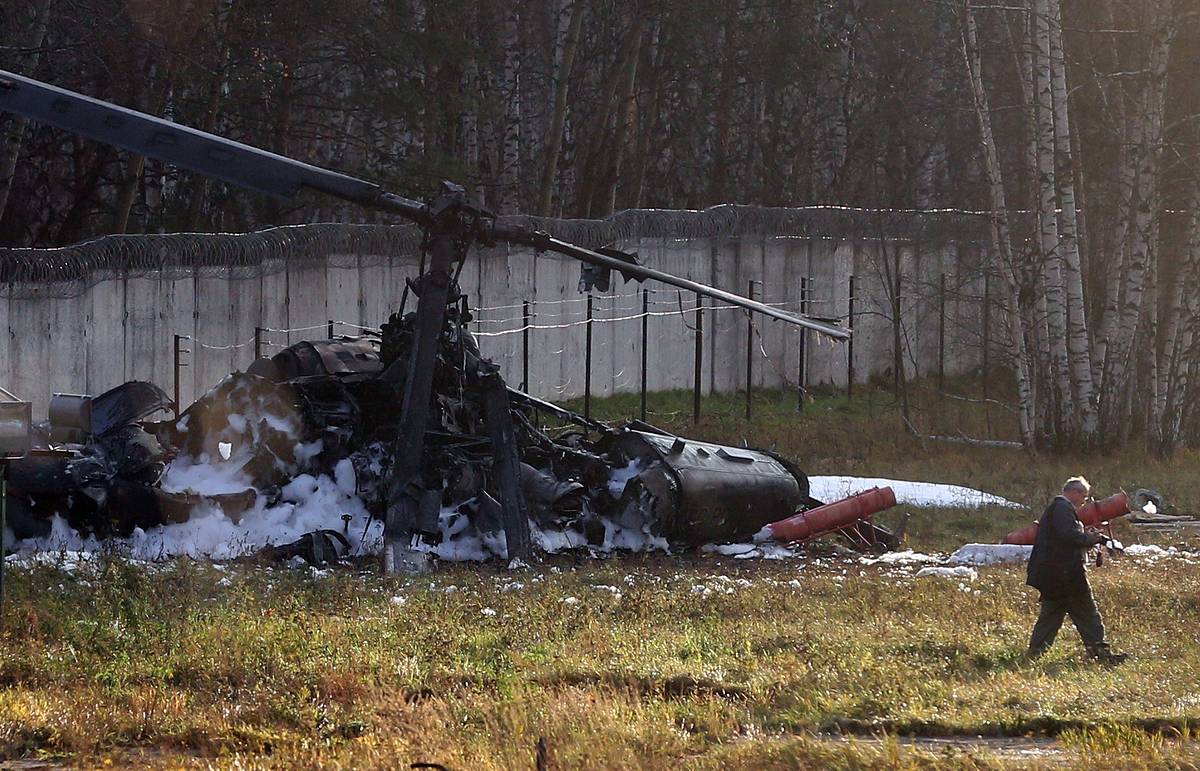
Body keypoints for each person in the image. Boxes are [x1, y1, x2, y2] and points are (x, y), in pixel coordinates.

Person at [1025, 476, 1128, 665]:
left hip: (1054, 576)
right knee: (1088, 614)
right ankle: (1101, 654)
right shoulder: (1063, 508)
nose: (1085, 501)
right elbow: (1070, 537)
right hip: (1067, 575)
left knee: (1051, 616)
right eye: (1084, 496)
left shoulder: (1058, 509)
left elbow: (1068, 536)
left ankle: (1034, 654)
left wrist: (1092, 537)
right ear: (1074, 492)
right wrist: (1091, 539)